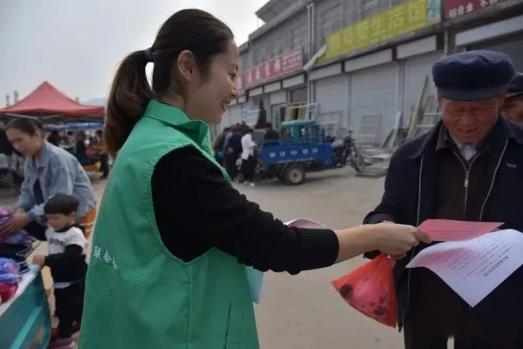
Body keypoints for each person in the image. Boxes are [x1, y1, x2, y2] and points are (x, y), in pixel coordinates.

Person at [79, 9, 428, 349]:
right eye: (230, 73)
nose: (235, 89)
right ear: (187, 66)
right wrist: (377, 234)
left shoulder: (147, 141)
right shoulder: (175, 161)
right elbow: (279, 247)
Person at [364, 50, 523, 349]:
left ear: (502, 99)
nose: (465, 122)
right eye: (454, 109)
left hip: (500, 302)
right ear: (439, 101)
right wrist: (381, 226)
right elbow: (389, 208)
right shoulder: (410, 157)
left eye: (480, 109)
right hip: (426, 297)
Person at [0, 118, 97, 238]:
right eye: (12, 142)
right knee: (57, 248)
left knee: (71, 252)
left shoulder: (57, 159)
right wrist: (21, 208)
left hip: (76, 212)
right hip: (55, 214)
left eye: (19, 140)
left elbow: (60, 198)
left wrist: (28, 216)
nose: (17, 146)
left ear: (36, 135)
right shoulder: (30, 159)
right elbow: (27, 190)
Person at [31, 194, 87, 349]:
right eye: (49, 218)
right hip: (61, 280)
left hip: (74, 281)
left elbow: (72, 258)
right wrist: (22, 221)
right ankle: (71, 325)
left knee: (66, 310)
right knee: (65, 307)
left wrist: (46, 260)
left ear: (71, 216)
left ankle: (65, 340)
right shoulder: (52, 230)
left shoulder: (74, 234)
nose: (51, 222)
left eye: (55, 218)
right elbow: (39, 232)